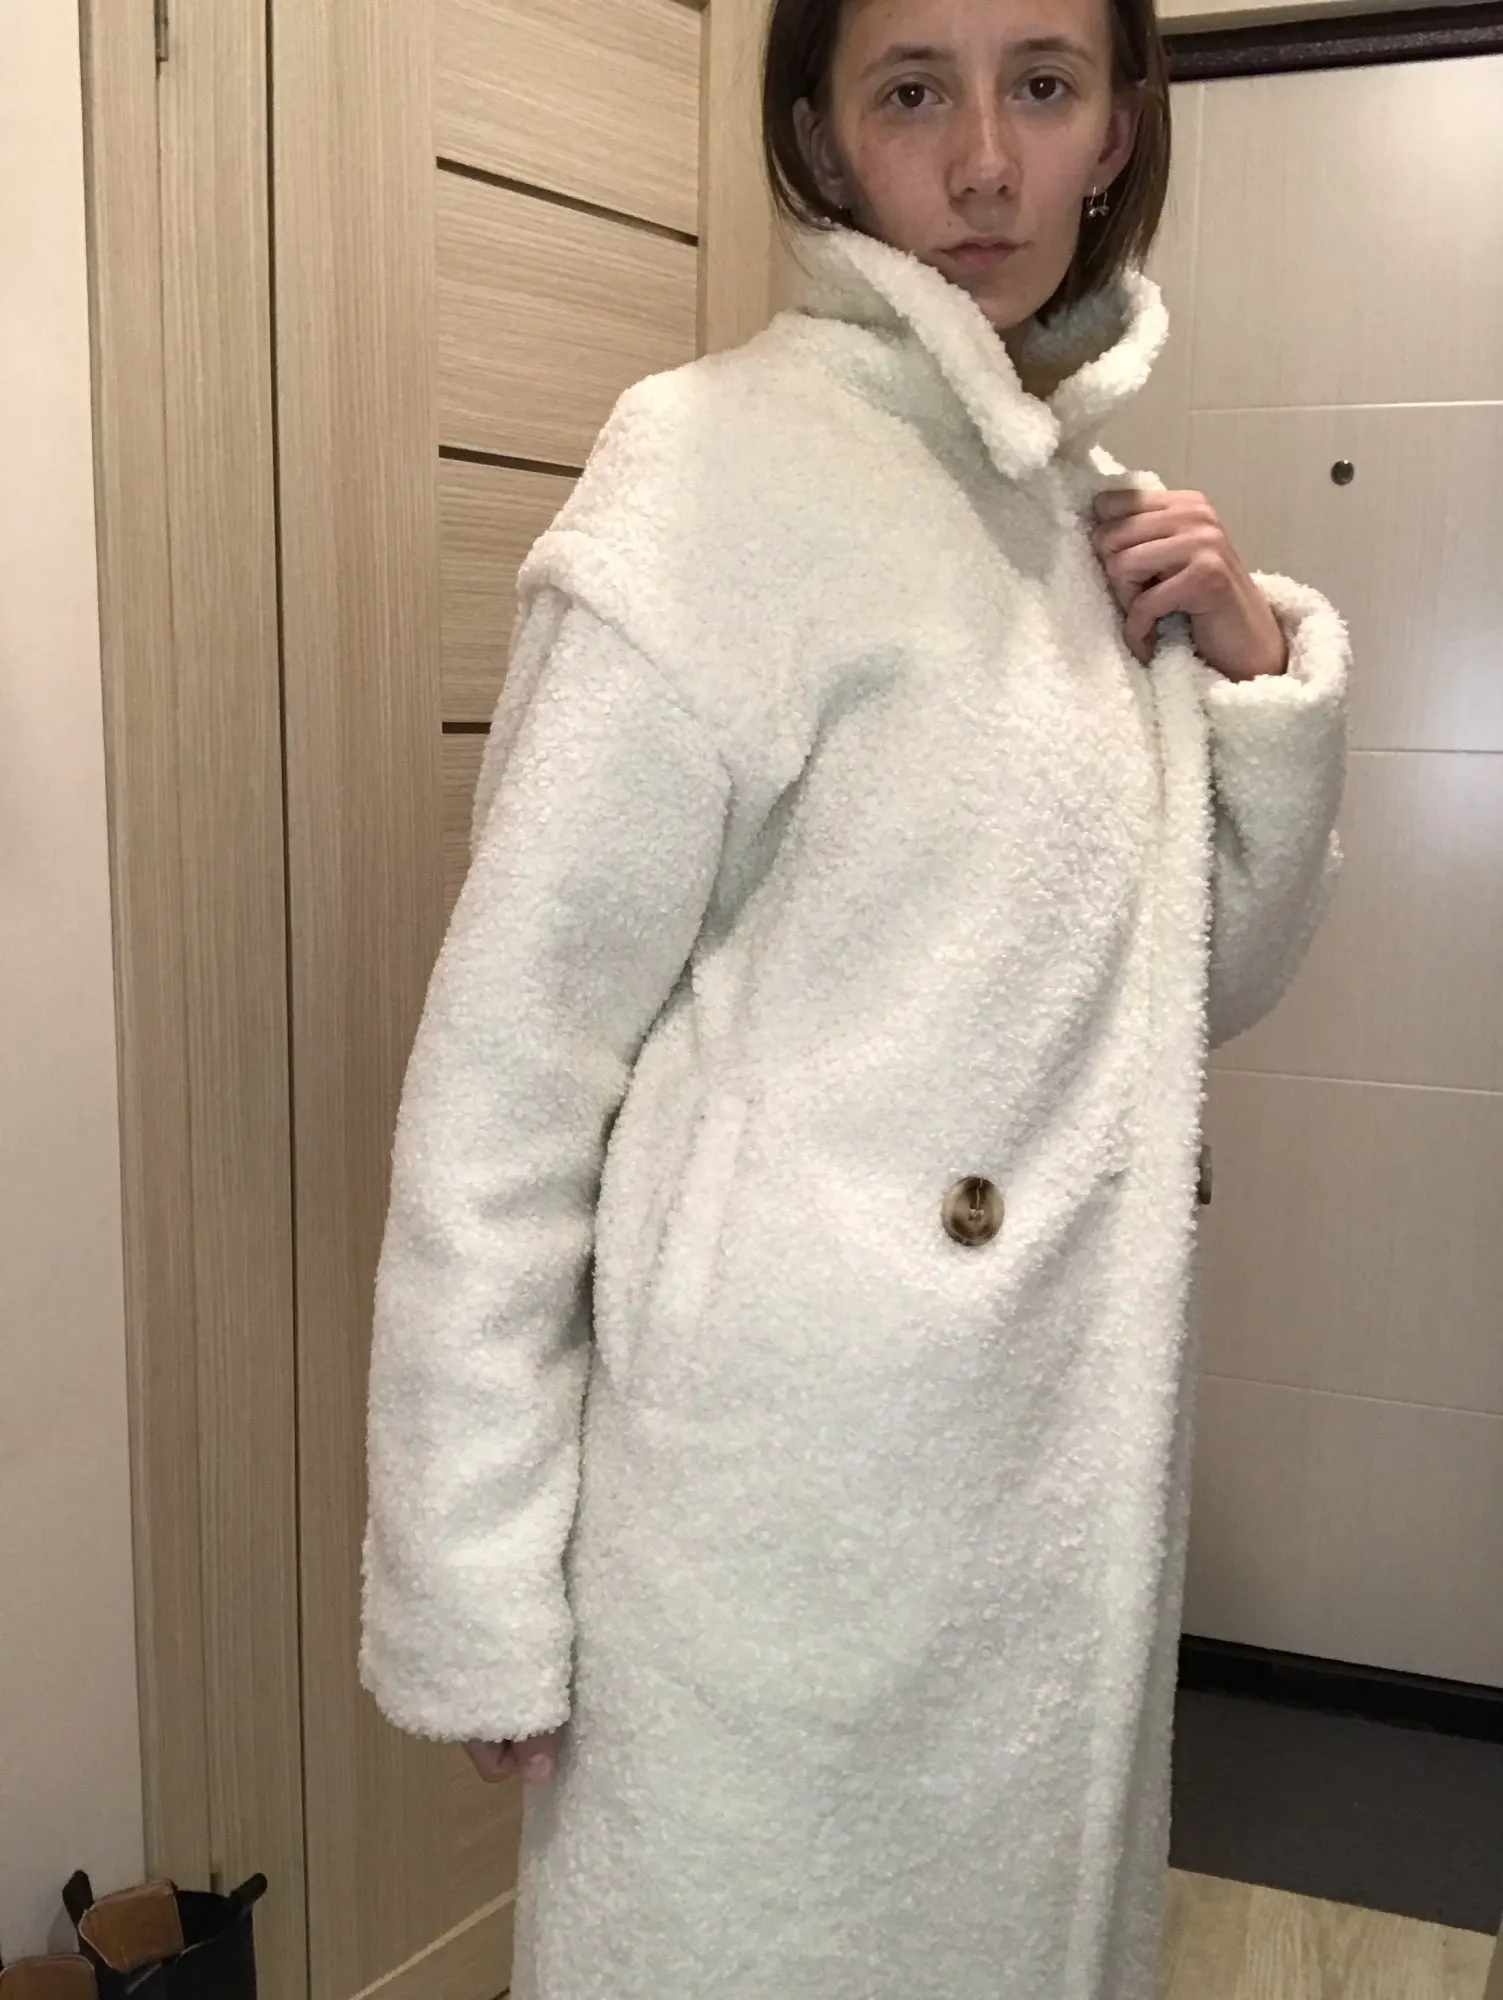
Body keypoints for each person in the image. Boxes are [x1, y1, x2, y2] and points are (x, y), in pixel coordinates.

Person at [358, 0, 1349, 1992]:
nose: (982, 160)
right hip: (772, 1532)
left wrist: (1250, 682)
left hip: (1035, 1509)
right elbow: (512, 1069)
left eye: (1041, 84)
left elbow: (1191, 1000)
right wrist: (477, 1576)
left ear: (1115, 127)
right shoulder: (704, 470)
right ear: (820, 132)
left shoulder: (1095, 516)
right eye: (912, 90)